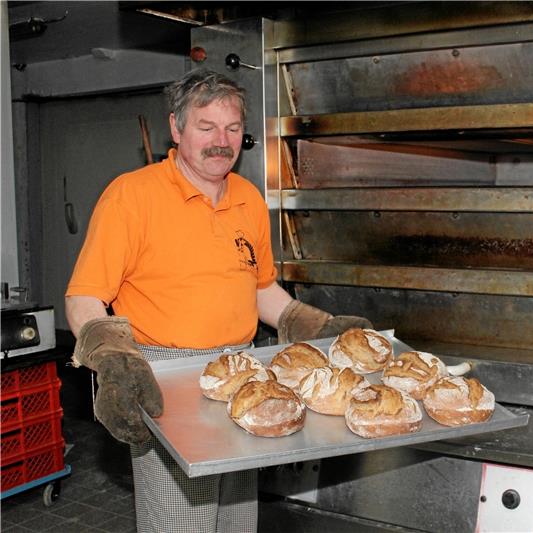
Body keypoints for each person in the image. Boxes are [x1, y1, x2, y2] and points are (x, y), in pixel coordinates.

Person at [64, 68, 370, 532]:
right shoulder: (132, 196)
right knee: (180, 519)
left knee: (236, 519)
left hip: (242, 375)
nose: (220, 141)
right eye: (206, 127)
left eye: (231, 128)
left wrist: (311, 324)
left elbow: (259, 286)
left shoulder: (247, 198)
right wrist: (114, 362)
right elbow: (85, 295)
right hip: (166, 378)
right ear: (176, 127)